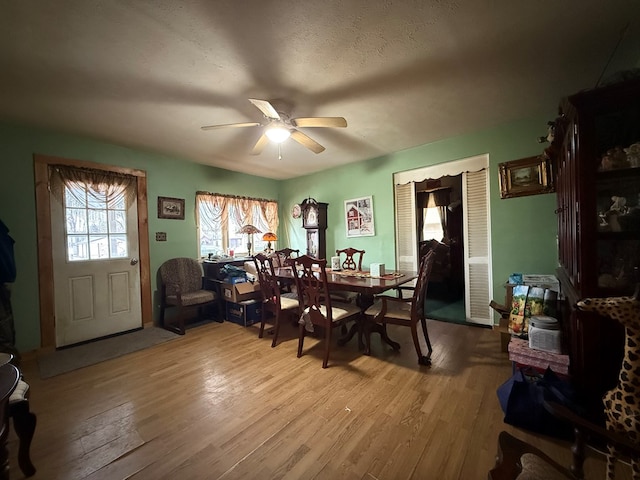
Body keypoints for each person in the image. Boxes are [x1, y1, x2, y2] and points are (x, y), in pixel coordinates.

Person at [0, 219, 20, 364]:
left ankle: (13, 377)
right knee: (5, 333)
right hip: (4, 281)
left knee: (5, 334)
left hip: (2, 282)